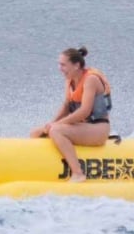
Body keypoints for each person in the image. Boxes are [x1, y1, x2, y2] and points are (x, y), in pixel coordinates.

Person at [30, 46, 112, 182]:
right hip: (82, 128)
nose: (59, 68)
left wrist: (56, 125)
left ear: (76, 65)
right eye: (59, 64)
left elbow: (84, 111)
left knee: (56, 131)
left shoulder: (91, 79)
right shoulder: (70, 80)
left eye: (63, 64)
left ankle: (78, 173)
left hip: (98, 129)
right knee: (36, 132)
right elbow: (67, 106)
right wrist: (50, 124)